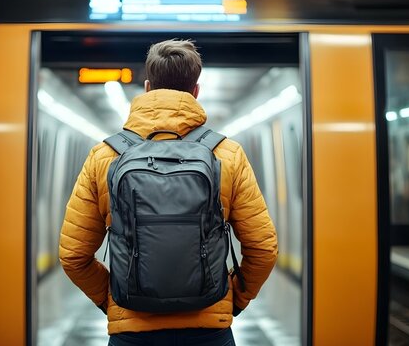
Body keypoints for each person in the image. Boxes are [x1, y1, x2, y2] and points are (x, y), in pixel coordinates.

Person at [59, 39, 278, 345]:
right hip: (209, 332)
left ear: (147, 87)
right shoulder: (227, 154)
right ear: (196, 91)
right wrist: (232, 299)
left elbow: (73, 256)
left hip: (132, 333)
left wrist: (113, 299)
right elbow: (263, 249)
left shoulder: (104, 156)